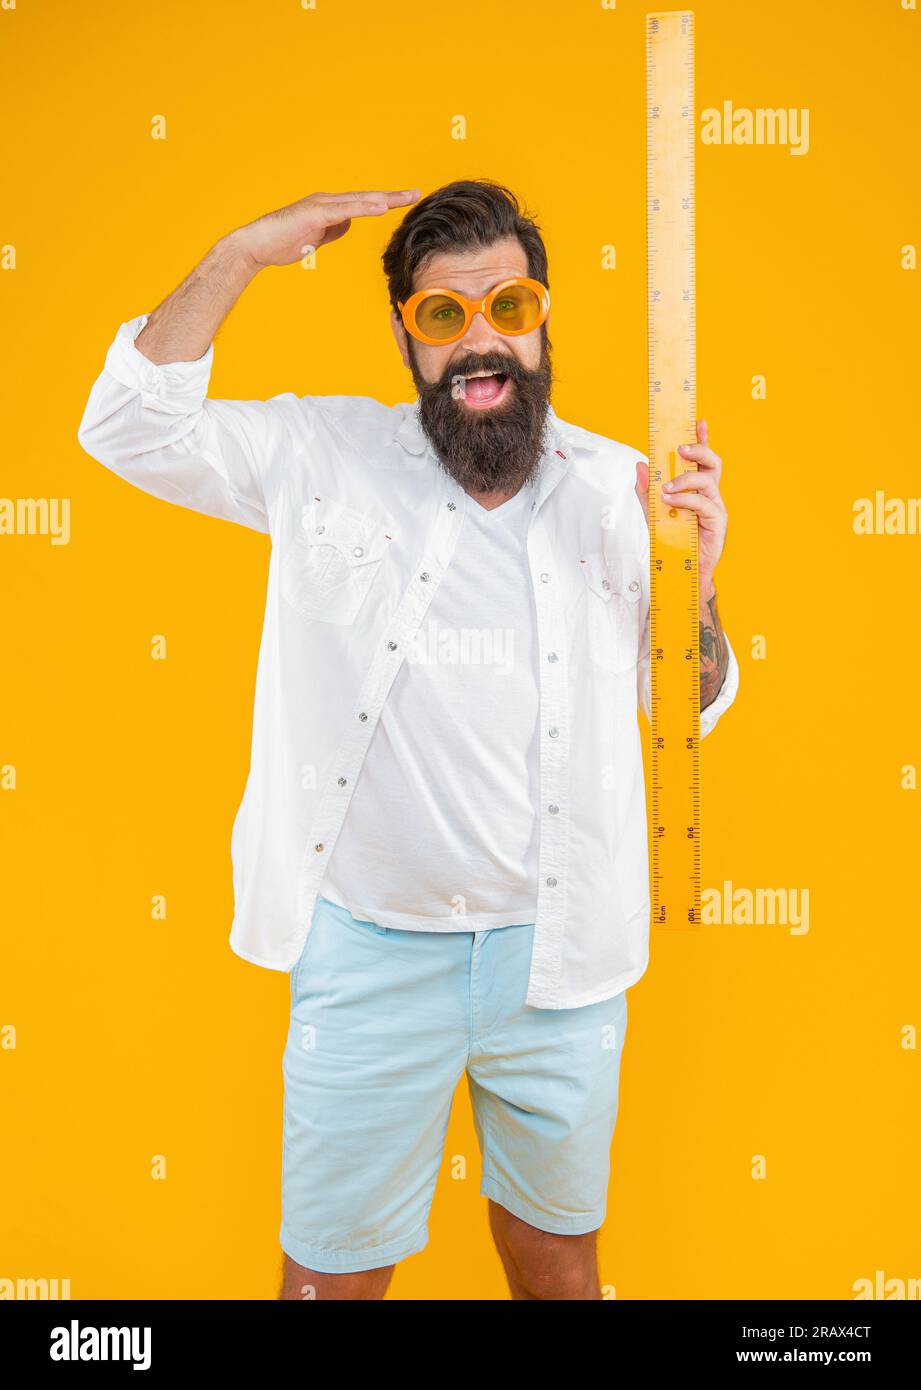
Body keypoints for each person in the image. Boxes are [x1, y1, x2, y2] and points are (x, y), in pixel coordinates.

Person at [77, 179, 740, 1300]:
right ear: (407, 334)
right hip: (369, 951)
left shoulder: (623, 490)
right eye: (445, 315)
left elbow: (685, 705)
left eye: (510, 307)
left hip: (562, 962)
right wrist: (239, 253)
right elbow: (129, 425)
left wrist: (700, 587)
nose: (482, 338)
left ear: (543, 318)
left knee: (559, 1271)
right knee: (326, 1283)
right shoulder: (321, 455)